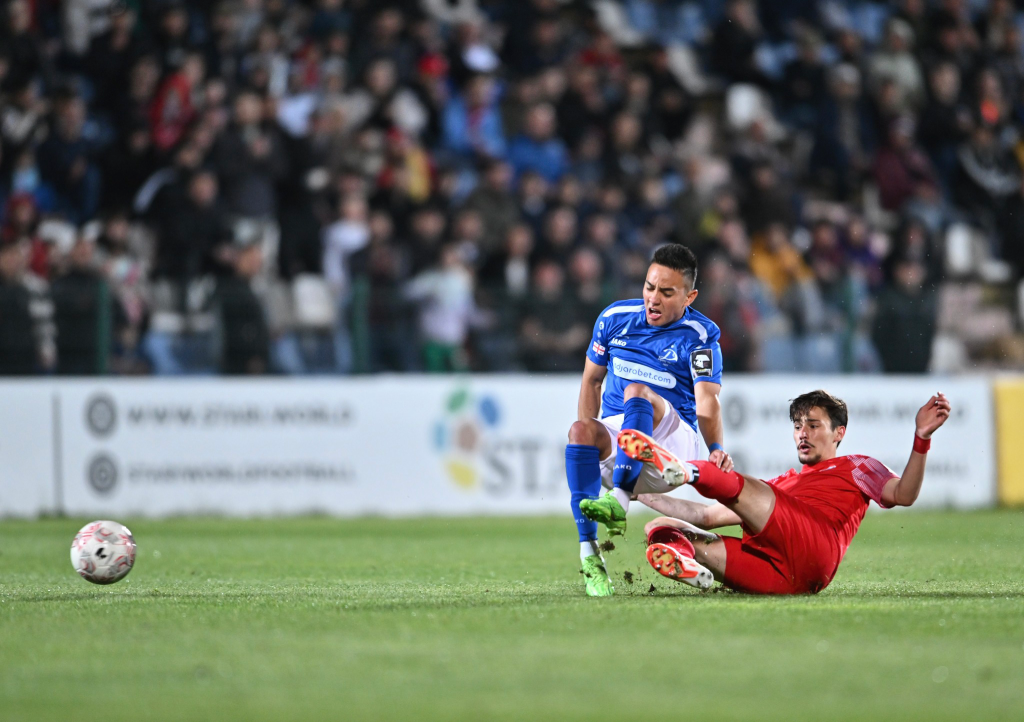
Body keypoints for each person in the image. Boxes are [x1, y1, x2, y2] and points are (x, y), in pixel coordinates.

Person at [622, 389, 950, 594]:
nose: (802, 434)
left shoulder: (857, 466)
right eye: (797, 426)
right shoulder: (785, 483)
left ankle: (685, 469)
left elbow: (904, 494)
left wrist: (921, 437)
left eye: (812, 425)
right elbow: (705, 516)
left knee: (743, 484)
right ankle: (695, 569)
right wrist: (640, 492)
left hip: (814, 542)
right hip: (785, 579)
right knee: (659, 530)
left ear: (839, 433)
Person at [565, 243, 732, 597]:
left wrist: (716, 447)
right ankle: (590, 557)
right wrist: (590, 449)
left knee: (637, 391)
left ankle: (619, 502)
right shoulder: (613, 319)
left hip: (672, 447)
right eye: (649, 287)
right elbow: (591, 381)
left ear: (690, 296)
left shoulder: (702, 336)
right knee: (579, 430)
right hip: (622, 440)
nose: (653, 299)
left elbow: (707, 400)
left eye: (666, 292)